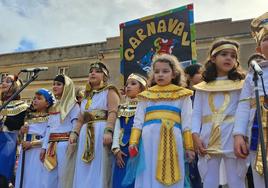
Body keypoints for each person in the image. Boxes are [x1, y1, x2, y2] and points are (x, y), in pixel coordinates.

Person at [128, 54, 195, 188]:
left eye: (165, 71)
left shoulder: (183, 94)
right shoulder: (145, 96)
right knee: (149, 171)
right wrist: (133, 142)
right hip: (148, 140)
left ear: (174, 74)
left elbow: (187, 123)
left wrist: (189, 147)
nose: (160, 74)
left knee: (173, 168)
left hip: (174, 139)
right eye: (157, 71)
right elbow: (138, 121)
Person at [191, 39, 247, 188]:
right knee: (209, 180)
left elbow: (244, 111)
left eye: (233, 56)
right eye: (224, 54)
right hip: (207, 137)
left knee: (236, 180)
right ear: (213, 58)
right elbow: (196, 113)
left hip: (232, 137)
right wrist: (195, 135)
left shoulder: (241, 84)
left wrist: (241, 135)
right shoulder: (202, 87)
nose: (229, 58)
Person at [71, 62, 120, 188]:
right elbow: (81, 119)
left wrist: (109, 131)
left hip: (101, 132)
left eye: (97, 71)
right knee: (83, 167)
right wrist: (74, 133)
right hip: (84, 135)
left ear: (104, 76)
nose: (93, 73)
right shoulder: (86, 96)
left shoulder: (110, 91)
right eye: (91, 71)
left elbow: (113, 112)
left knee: (100, 165)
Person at [233, 12, 268, 188]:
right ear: (259, 49)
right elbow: (244, 105)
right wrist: (239, 134)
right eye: (267, 38)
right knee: (260, 176)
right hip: (258, 131)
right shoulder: (253, 74)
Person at [40, 74, 80, 188]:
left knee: (64, 176)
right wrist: (44, 147)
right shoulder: (53, 107)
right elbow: (49, 128)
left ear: (66, 87)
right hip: (51, 146)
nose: (55, 86)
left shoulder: (73, 105)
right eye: (54, 84)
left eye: (58, 84)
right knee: (48, 178)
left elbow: (75, 124)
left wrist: (72, 143)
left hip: (65, 144)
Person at [112, 73, 147, 188]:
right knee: (120, 181)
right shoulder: (121, 107)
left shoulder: (145, 106)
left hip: (140, 149)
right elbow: (117, 129)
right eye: (127, 84)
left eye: (133, 84)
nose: (128, 86)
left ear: (142, 88)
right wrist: (116, 149)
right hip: (122, 151)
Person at [15, 88, 55, 188]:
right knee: (25, 177)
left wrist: (31, 144)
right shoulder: (28, 117)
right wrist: (21, 132)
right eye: (34, 98)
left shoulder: (51, 118)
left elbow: (49, 137)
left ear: (47, 103)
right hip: (26, 152)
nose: (35, 100)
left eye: (39, 98)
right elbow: (19, 140)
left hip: (39, 152)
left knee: (37, 178)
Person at [0, 75, 28, 188]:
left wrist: (3, 118)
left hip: (8, 143)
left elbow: (17, 124)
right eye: (3, 80)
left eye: (8, 81)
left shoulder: (22, 106)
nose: (3, 82)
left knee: (3, 177)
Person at [184, 63, 203, 188]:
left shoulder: (205, 93)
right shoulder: (184, 96)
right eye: (199, 72)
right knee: (192, 174)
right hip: (188, 138)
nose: (202, 75)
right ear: (189, 77)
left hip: (204, 136)